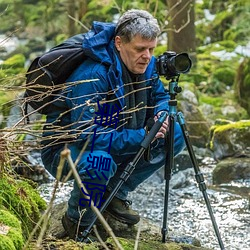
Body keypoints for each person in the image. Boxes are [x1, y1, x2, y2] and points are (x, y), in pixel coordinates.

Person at [41, 9, 185, 241]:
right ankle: (77, 221)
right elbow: (87, 135)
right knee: (101, 162)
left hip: (117, 134)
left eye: (151, 49)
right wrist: (142, 136)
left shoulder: (145, 64)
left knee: (175, 132)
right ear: (119, 43)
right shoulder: (93, 75)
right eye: (140, 49)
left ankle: (115, 193)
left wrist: (161, 114)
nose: (147, 56)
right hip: (67, 150)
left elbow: (159, 96)